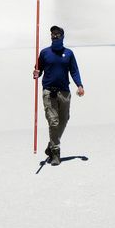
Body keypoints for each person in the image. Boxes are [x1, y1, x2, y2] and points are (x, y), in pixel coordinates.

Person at [33, 25, 85, 166]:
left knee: (64, 119)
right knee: (53, 122)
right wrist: (36, 73)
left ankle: (51, 145)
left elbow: (74, 71)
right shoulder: (44, 53)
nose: (54, 36)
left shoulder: (68, 53)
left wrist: (79, 85)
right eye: (52, 34)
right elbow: (38, 70)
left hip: (64, 92)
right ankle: (56, 153)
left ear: (62, 36)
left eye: (57, 34)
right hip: (49, 92)